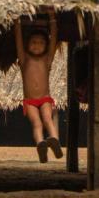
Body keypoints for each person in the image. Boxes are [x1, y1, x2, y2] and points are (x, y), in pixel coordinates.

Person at [15, 11, 63, 163]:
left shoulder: (47, 60)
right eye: (34, 42)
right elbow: (18, 40)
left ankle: (55, 140)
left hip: (45, 98)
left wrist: (52, 20)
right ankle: (41, 144)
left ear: (46, 46)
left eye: (41, 43)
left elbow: (54, 38)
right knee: (37, 123)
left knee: (48, 119)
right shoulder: (24, 59)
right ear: (27, 44)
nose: (37, 46)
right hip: (29, 101)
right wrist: (17, 22)